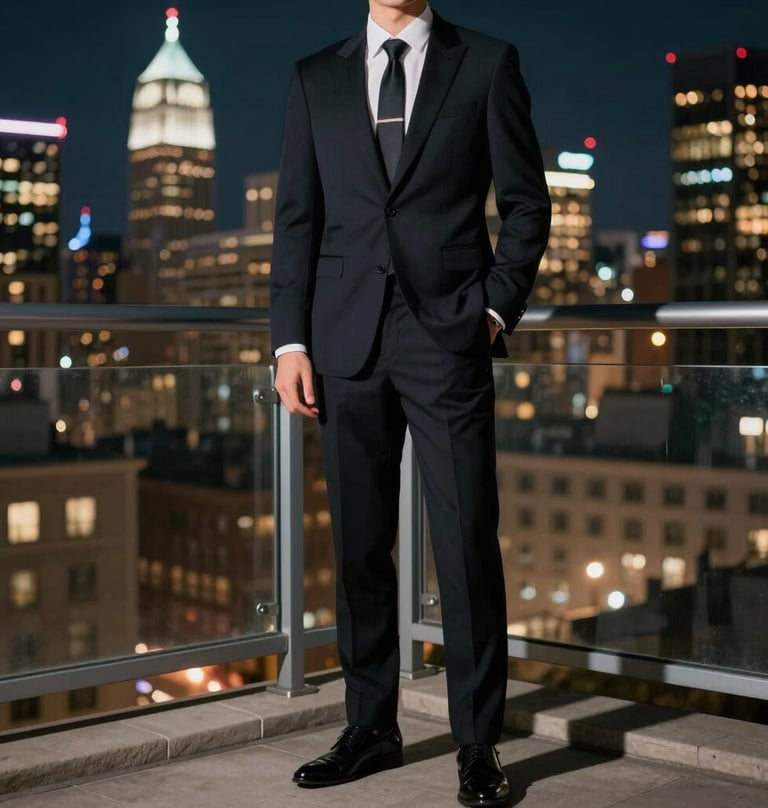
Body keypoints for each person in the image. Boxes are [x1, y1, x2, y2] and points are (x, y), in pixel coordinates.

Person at [270, 1, 550, 804]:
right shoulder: (314, 78)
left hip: (449, 339)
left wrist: (494, 309)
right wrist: (289, 342)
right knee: (359, 545)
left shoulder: (488, 62)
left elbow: (527, 204)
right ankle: (370, 728)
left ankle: (477, 744)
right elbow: (296, 219)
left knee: (464, 540)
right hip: (343, 344)